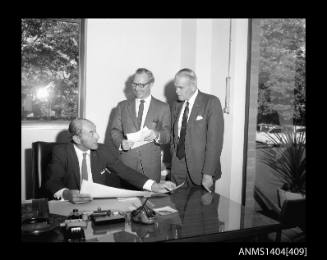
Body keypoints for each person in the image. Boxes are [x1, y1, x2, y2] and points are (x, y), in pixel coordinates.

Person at [46, 118, 176, 204]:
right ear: (77, 139)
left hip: (98, 204)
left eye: (95, 131)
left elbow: (124, 171)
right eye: (91, 133)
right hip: (72, 205)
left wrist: (154, 185)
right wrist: (67, 194)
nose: (97, 136)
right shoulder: (61, 152)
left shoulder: (102, 150)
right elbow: (52, 181)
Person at [111, 68, 171, 183]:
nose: (137, 88)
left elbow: (167, 134)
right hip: (126, 165)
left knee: (149, 201)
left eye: (141, 85)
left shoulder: (163, 107)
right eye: (134, 84)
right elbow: (115, 130)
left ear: (151, 84)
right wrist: (121, 142)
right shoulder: (122, 106)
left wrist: (157, 134)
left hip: (151, 167)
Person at [170, 68, 224, 192]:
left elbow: (214, 142)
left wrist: (208, 173)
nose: (177, 91)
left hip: (201, 170)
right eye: (175, 87)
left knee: (202, 210)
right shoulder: (177, 104)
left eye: (181, 87)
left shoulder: (211, 102)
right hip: (178, 167)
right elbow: (174, 135)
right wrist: (174, 154)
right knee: (177, 207)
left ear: (193, 86)